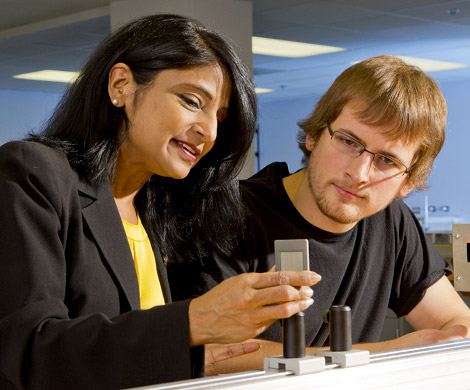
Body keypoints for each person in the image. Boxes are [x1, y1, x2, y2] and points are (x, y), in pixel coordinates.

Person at [0, 14, 321, 389]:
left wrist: (198, 356)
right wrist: (192, 320)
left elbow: (126, 350)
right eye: (191, 100)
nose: (209, 131)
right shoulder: (32, 172)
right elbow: (27, 353)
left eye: (220, 116)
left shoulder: (154, 210)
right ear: (121, 84)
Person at [168, 55, 470, 373]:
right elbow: (211, 356)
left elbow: (456, 324)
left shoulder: (392, 221)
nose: (360, 173)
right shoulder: (228, 212)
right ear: (314, 135)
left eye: (387, 160)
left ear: (407, 181)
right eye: (349, 141)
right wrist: (382, 353)